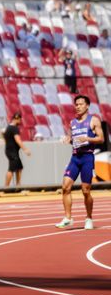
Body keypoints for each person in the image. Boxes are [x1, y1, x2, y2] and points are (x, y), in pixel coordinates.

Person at [56, 95, 104, 230]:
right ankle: (68, 218)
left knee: (86, 191)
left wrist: (87, 138)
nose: (78, 106)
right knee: (65, 187)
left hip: (87, 158)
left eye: (81, 104)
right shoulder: (72, 122)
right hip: (75, 158)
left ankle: (89, 218)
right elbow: (73, 139)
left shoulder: (94, 120)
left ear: (87, 106)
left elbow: (101, 138)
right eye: (76, 104)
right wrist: (68, 139)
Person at [4, 112, 31, 187]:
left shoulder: (8, 127)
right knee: (11, 169)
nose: (20, 121)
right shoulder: (14, 128)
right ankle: (6, 187)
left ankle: (18, 185)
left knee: (19, 167)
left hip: (11, 151)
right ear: (17, 119)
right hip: (12, 151)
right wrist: (25, 149)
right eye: (20, 119)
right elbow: (18, 140)